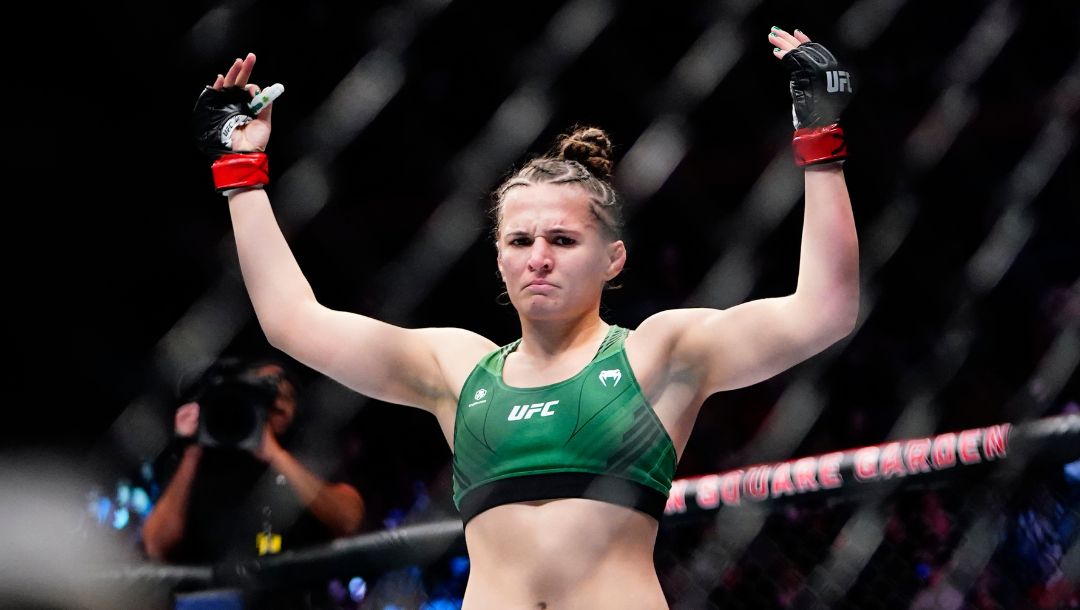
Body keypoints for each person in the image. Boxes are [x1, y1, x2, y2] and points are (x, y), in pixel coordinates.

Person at [192, 25, 858, 609]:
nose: (539, 258)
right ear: (499, 259)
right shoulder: (456, 369)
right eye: (520, 241)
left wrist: (819, 140)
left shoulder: (657, 354)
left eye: (563, 241)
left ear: (612, 259)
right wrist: (240, 170)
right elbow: (291, 320)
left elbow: (823, 309)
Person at [141, 356, 365, 564]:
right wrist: (192, 450)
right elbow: (156, 545)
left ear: (292, 413)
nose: (268, 408)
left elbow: (349, 520)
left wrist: (275, 455)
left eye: (281, 399)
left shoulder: (306, 456)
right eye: (259, 398)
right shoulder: (204, 460)